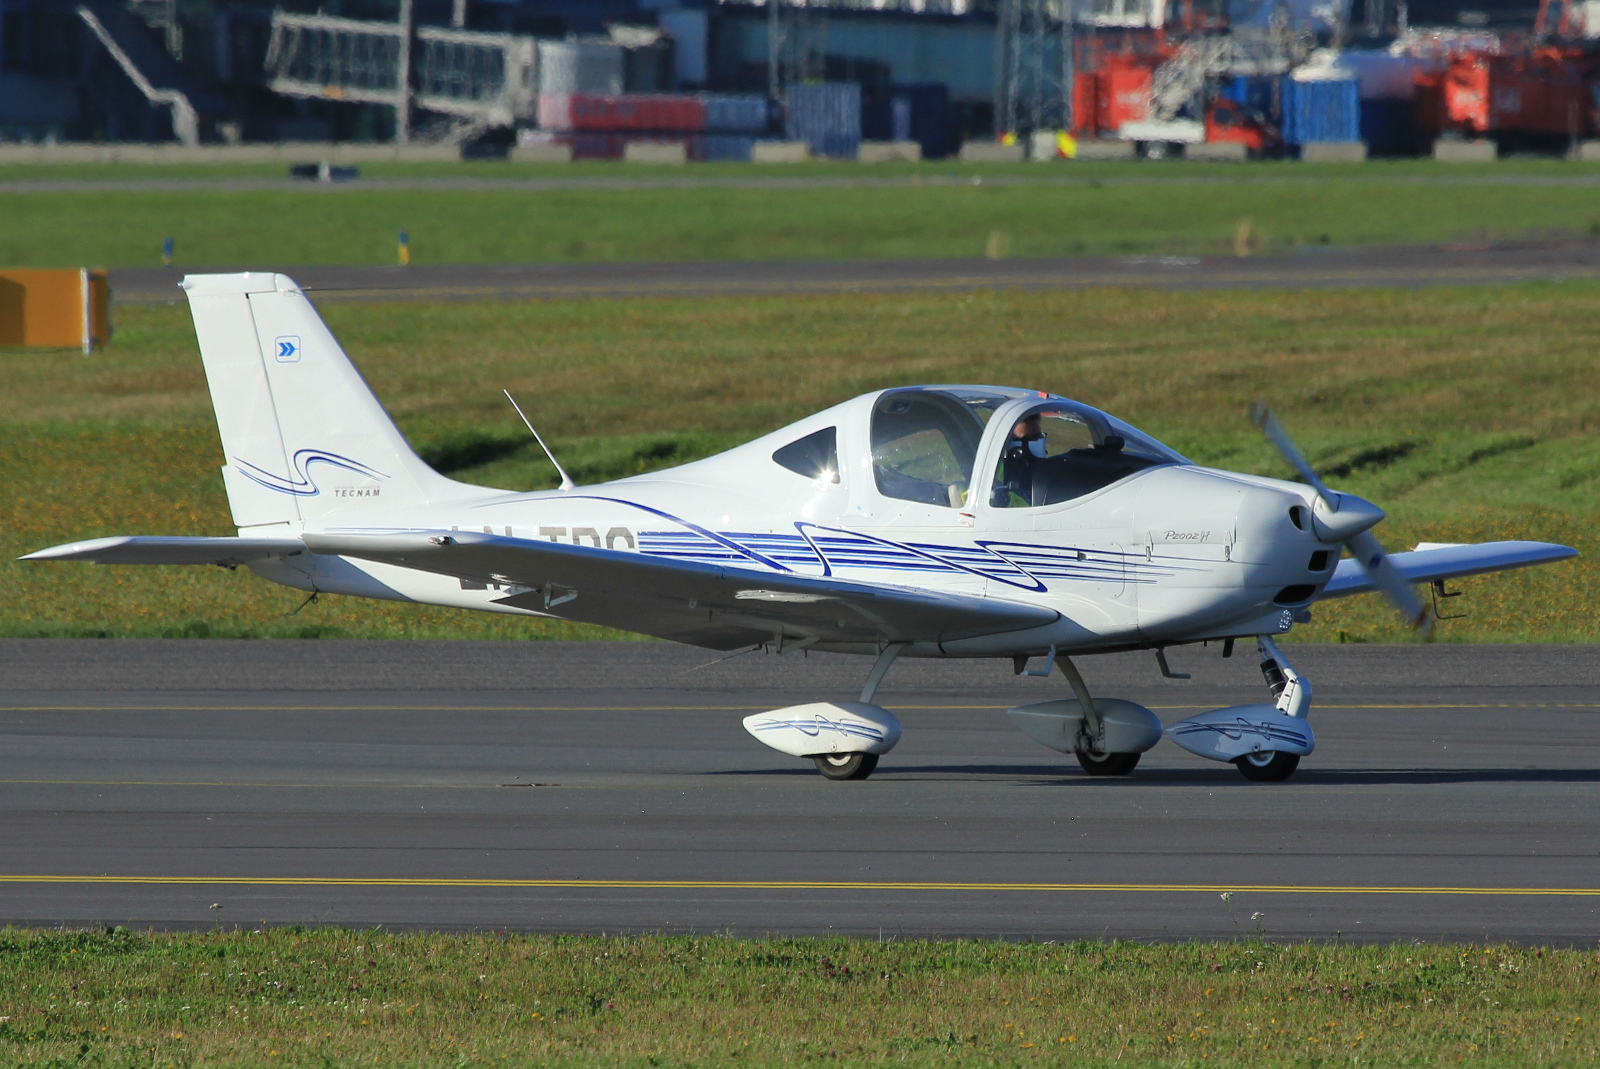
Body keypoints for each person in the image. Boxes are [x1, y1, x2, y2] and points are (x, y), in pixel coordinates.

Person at [992, 413, 1047, 507]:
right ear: (1008, 442)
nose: (1037, 442)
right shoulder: (997, 484)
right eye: (1028, 439)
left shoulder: (1044, 473)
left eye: (1039, 437)